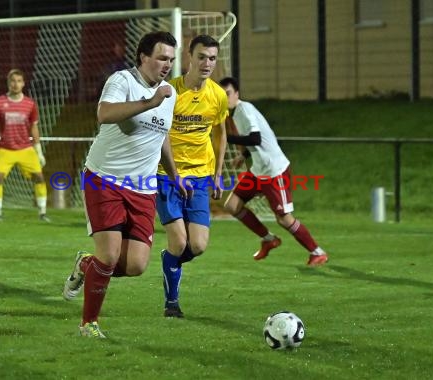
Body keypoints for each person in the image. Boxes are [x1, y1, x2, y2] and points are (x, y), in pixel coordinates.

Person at [61, 31, 187, 338]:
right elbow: (104, 114)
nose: (166, 64)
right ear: (144, 57)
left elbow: (162, 137)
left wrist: (174, 175)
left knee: (135, 265)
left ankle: (85, 264)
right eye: (161, 58)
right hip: (105, 178)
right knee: (109, 254)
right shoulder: (122, 81)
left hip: (143, 188)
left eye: (170, 59)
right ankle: (89, 324)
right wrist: (149, 102)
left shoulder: (169, 93)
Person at [218, 77, 329, 266]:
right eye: (221, 95)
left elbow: (255, 138)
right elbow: (252, 140)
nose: (224, 98)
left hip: (274, 171)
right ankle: (269, 240)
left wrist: (228, 138)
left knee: (284, 219)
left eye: (227, 93)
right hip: (259, 170)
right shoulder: (235, 113)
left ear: (237, 94)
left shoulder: (245, 109)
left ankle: (317, 252)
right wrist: (243, 155)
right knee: (232, 206)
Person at [157, 35, 228, 318]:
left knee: (197, 245)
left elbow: (221, 134)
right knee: (179, 242)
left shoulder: (218, 96)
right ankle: (171, 303)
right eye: (202, 57)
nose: (207, 63)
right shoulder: (169, 92)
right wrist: (172, 174)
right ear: (189, 57)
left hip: (199, 176)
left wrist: (219, 174)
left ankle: (170, 261)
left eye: (212, 58)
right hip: (167, 175)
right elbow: (158, 133)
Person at [0, 69, 49, 222]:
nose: (16, 84)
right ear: (8, 83)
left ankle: (43, 214)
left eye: (19, 81)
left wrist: (39, 152)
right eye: (13, 81)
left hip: (26, 148)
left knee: (39, 177)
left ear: (23, 84)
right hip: (5, 148)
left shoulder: (30, 104)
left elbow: (34, 128)